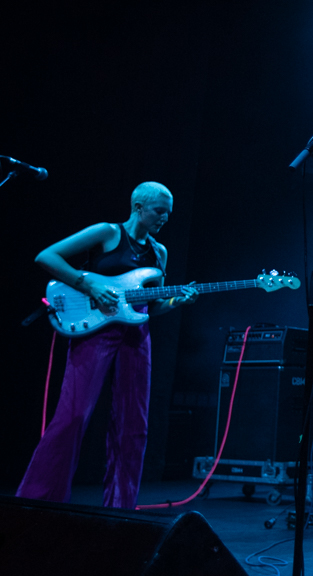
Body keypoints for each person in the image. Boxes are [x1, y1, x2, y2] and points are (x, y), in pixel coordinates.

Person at [16, 182, 197, 509]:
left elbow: (153, 305)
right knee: (73, 415)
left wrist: (176, 301)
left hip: (136, 336)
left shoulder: (160, 252)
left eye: (169, 213)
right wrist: (89, 284)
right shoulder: (107, 233)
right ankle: (37, 501)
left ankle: (121, 508)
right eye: (160, 211)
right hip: (95, 331)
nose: (165, 218)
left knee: (133, 424)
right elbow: (47, 256)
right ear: (139, 207)